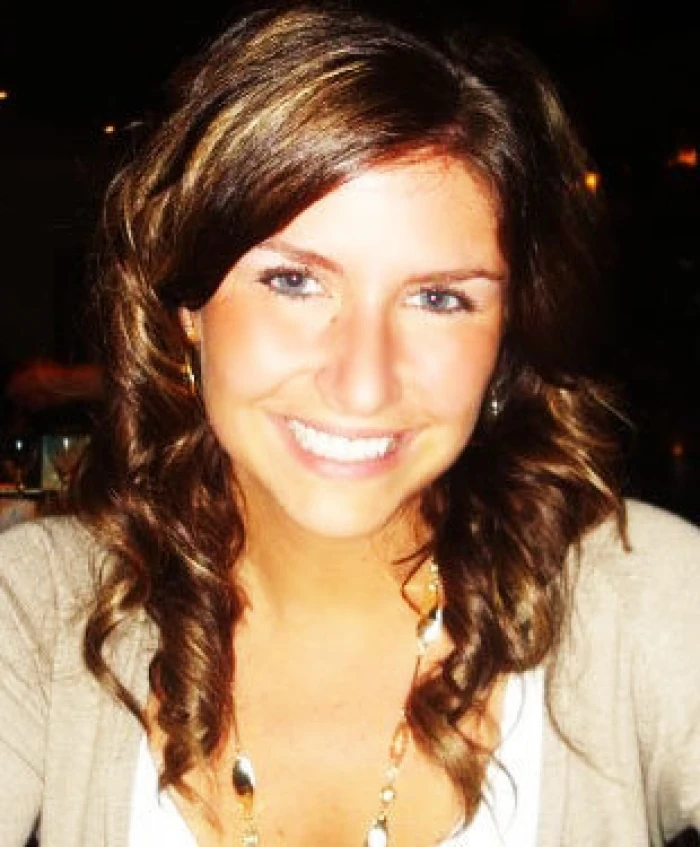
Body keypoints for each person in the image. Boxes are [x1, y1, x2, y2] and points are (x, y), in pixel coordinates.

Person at [0, 3, 698, 846]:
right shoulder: (39, 612)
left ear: (509, 332)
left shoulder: (643, 601)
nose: (363, 384)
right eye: (295, 282)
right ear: (187, 304)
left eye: (438, 297)